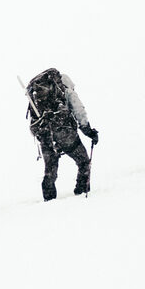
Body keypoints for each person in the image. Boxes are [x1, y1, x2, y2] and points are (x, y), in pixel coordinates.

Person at [24, 68, 100, 200]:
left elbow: (33, 122)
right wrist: (89, 131)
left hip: (45, 134)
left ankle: (48, 199)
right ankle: (81, 191)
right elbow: (79, 112)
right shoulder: (67, 91)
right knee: (83, 161)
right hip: (64, 132)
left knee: (50, 170)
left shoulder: (39, 98)